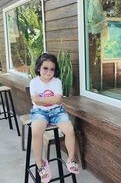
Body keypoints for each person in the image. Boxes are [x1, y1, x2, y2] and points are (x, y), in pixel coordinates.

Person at [30, 53, 80, 183]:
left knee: (69, 130)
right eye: (45, 68)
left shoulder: (57, 82)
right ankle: (40, 163)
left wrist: (43, 100)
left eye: (52, 69)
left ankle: (71, 158)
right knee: (36, 131)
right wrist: (49, 100)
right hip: (39, 112)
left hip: (57, 111)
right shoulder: (34, 82)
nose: (48, 72)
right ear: (39, 68)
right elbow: (35, 100)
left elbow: (58, 100)